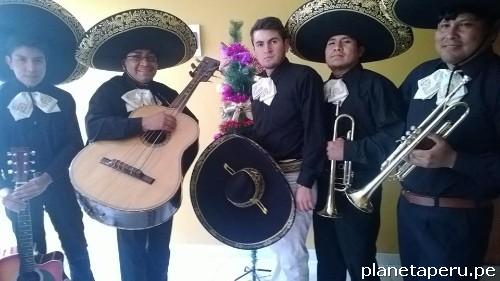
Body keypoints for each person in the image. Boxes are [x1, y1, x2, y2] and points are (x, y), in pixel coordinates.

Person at [286, 1, 411, 280]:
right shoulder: (316, 89)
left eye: (346, 42)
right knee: (327, 260)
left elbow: (398, 137)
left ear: (361, 50)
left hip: (359, 188)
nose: (337, 47)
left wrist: (351, 149)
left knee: (360, 260)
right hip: (323, 188)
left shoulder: (377, 86)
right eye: (331, 42)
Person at [76, 9, 199, 281]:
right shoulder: (108, 91)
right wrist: (142, 124)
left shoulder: (168, 94)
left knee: (159, 250)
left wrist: (172, 173)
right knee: (131, 250)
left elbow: (191, 138)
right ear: (124, 62)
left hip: (159, 184)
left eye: (151, 57)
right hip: (124, 181)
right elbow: (95, 127)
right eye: (136, 56)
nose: (145, 62)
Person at [392, 0, 500, 278]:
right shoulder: (421, 74)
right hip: (410, 212)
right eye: (444, 25)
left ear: (490, 33)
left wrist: (454, 160)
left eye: (464, 24)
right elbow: (395, 128)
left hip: (460, 221)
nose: (450, 34)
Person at [0, 1, 94, 280]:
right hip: (18, 190)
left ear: (47, 62)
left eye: (38, 60)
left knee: (76, 243)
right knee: (32, 249)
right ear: (9, 61)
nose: (30, 67)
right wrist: (5, 190)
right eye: (22, 59)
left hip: (59, 183)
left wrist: (48, 177)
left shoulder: (64, 100)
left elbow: (74, 145)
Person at [248, 16, 326, 281]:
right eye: (260, 44)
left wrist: (306, 181)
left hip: (296, 175)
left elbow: (316, 130)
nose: (267, 49)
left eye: (273, 42)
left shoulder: (305, 77)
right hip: (268, 175)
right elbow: (262, 130)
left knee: (292, 251)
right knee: (278, 244)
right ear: (254, 49)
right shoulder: (256, 82)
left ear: (286, 45)